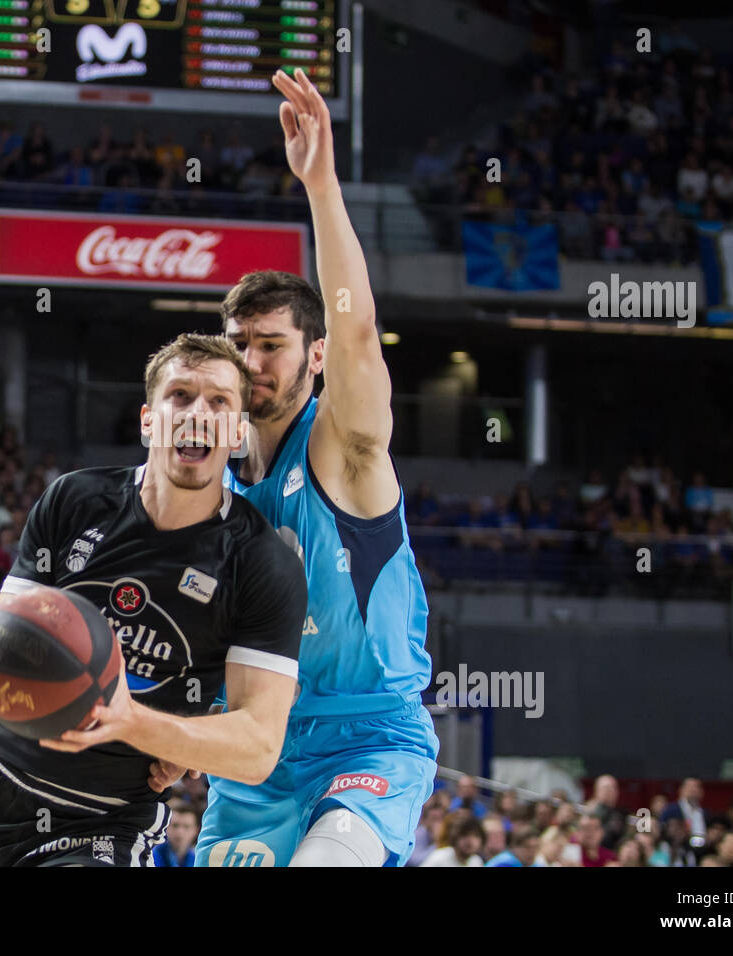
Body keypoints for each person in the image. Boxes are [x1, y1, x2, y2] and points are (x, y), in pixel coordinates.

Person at [0, 333, 308, 866]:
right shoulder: (74, 499)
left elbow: (258, 747)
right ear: (148, 419)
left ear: (237, 432)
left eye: (219, 401)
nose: (197, 413)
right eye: (180, 395)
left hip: (101, 819)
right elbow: (10, 636)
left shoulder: (261, 560)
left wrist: (136, 723)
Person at [193, 68, 438, 868]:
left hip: (368, 741)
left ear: (315, 358)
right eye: (239, 345)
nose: (251, 361)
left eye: (271, 345)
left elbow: (359, 333)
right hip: (254, 748)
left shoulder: (342, 448)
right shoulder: (207, 479)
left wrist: (321, 183)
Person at [419, 813, 484, 866]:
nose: (470, 841)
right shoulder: (439, 857)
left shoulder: (476, 862)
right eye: (465, 835)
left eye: (476, 836)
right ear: (456, 837)